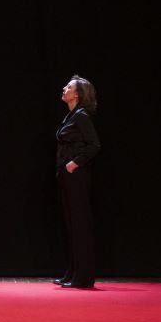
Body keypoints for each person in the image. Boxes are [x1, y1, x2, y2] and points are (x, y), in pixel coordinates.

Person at [54, 75, 101, 288]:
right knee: (71, 224)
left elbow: (94, 145)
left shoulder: (82, 116)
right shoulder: (72, 116)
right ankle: (72, 272)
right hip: (68, 176)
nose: (64, 88)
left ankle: (83, 277)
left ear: (78, 95)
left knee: (80, 224)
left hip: (77, 175)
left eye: (69, 86)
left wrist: (74, 164)